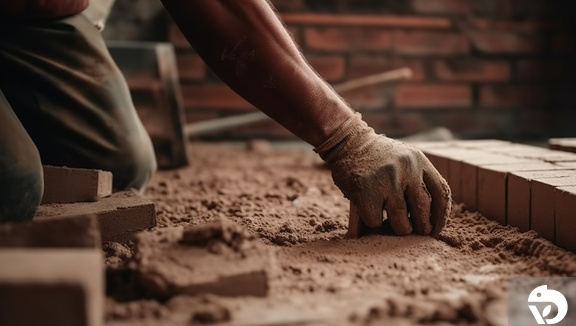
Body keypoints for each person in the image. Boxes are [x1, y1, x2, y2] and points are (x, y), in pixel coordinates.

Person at [0, 0, 451, 236]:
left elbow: (223, 7)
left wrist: (350, 139)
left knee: (118, 169)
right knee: (14, 184)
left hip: (40, 19)